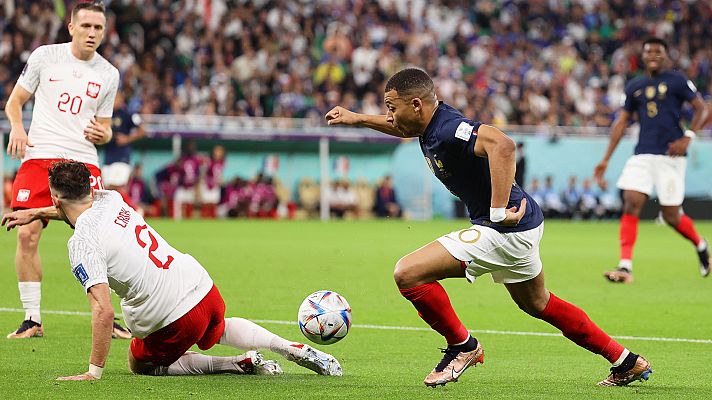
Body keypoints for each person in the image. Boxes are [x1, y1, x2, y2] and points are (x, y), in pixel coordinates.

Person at [325, 68, 651, 388]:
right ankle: (625, 360)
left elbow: (503, 144)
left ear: (416, 105)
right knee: (538, 304)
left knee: (407, 273)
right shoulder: (428, 125)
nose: (389, 116)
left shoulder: (450, 128)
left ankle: (462, 347)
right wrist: (359, 118)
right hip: (523, 224)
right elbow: (403, 128)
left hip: (502, 229)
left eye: (392, 108)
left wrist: (495, 212)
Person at [1, 160, 342, 380]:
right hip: (201, 285)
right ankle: (287, 346)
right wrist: (38, 213)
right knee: (218, 326)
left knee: (141, 363)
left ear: (55, 198)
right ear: (91, 187)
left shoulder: (81, 245)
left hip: (171, 317)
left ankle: (231, 365)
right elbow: (77, 208)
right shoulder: (112, 199)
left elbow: (104, 312)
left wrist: (93, 371)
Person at [3, 1, 130, 339]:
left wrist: (107, 133)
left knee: (101, 239)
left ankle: (111, 315)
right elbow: (14, 101)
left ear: (104, 32)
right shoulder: (45, 57)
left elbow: (104, 128)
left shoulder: (108, 74)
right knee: (27, 233)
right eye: (86, 26)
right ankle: (32, 319)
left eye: (98, 28)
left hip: (83, 160)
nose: (92, 33)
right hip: (39, 154)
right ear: (71, 26)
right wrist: (17, 127)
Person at [593, 37, 710, 283]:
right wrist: (605, 160)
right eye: (649, 51)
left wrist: (688, 136)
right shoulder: (634, 86)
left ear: (666, 56)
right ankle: (625, 266)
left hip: (671, 156)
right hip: (643, 153)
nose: (653, 55)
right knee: (631, 202)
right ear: (643, 56)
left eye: (658, 51)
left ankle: (701, 245)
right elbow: (621, 122)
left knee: (671, 216)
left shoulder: (677, 81)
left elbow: (702, 108)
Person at [102, 91, 145, 195]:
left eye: (116, 98)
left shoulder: (128, 114)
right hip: (108, 157)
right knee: (106, 190)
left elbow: (142, 130)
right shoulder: (106, 115)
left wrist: (127, 139)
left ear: (121, 100)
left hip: (122, 158)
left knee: (118, 189)